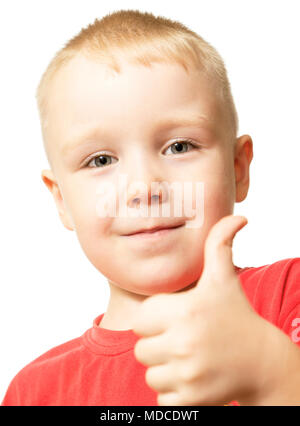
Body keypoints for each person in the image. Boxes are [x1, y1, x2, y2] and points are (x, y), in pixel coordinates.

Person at [2, 9, 300, 406]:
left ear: (237, 168)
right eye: (101, 161)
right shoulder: (34, 393)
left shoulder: (288, 295)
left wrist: (272, 374)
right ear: (62, 201)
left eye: (179, 146)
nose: (144, 188)